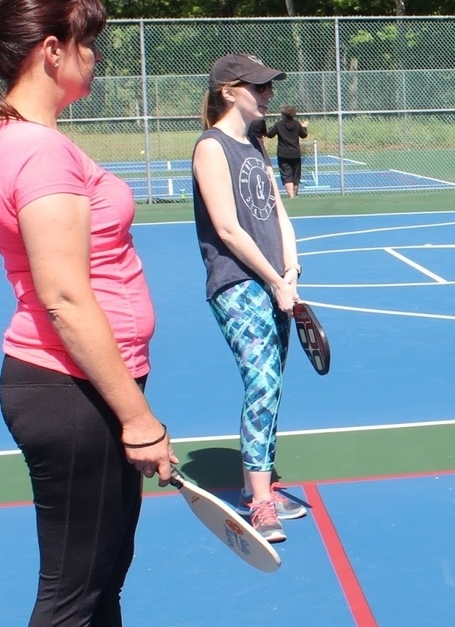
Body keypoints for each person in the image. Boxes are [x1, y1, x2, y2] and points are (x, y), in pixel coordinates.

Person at [0, 2, 221, 627]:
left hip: (79, 388)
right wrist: (138, 418)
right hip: (71, 394)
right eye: (89, 47)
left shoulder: (15, 140)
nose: (96, 60)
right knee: (71, 590)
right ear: (51, 51)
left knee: (98, 574)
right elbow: (66, 299)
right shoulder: (37, 152)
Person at [193, 53, 307, 544]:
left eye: (267, 87)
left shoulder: (255, 149)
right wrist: (273, 280)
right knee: (262, 381)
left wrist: (292, 269)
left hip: (272, 282)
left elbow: (278, 214)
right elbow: (226, 227)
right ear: (229, 92)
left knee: (273, 382)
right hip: (236, 282)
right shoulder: (211, 148)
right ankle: (259, 501)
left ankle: (259, 484)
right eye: (258, 87)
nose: (267, 94)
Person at [265, 105, 308, 198]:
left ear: (283, 115)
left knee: (286, 174)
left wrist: (268, 128)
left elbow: (269, 134)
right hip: (295, 153)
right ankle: (295, 193)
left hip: (283, 153)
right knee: (296, 174)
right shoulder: (297, 124)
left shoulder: (279, 124)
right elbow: (303, 135)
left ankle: (291, 196)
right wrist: (304, 127)